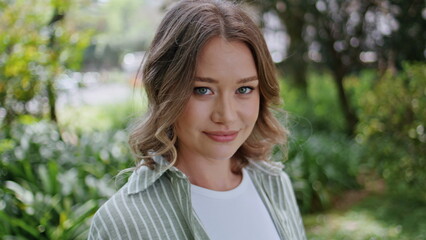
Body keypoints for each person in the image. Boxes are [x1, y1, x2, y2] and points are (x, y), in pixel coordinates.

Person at [88, 0, 306, 239]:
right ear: (165, 90)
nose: (227, 115)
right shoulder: (123, 223)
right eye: (203, 90)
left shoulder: (275, 184)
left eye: (244, 89)